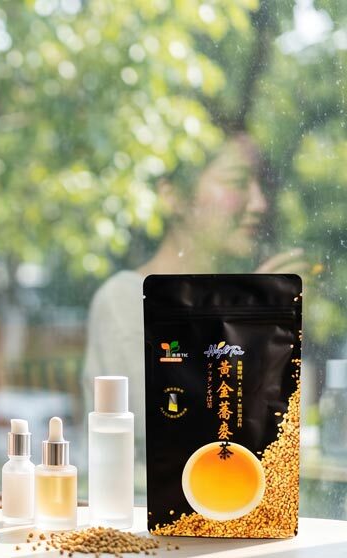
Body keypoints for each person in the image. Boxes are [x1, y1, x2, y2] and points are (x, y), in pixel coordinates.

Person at [83, 133, 310, 453]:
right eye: (236, 182)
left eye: (261, 186)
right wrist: (251, 330)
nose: (259, 203)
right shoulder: (124, 301)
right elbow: (163, 431)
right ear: (173, 195)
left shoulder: (239, 299)